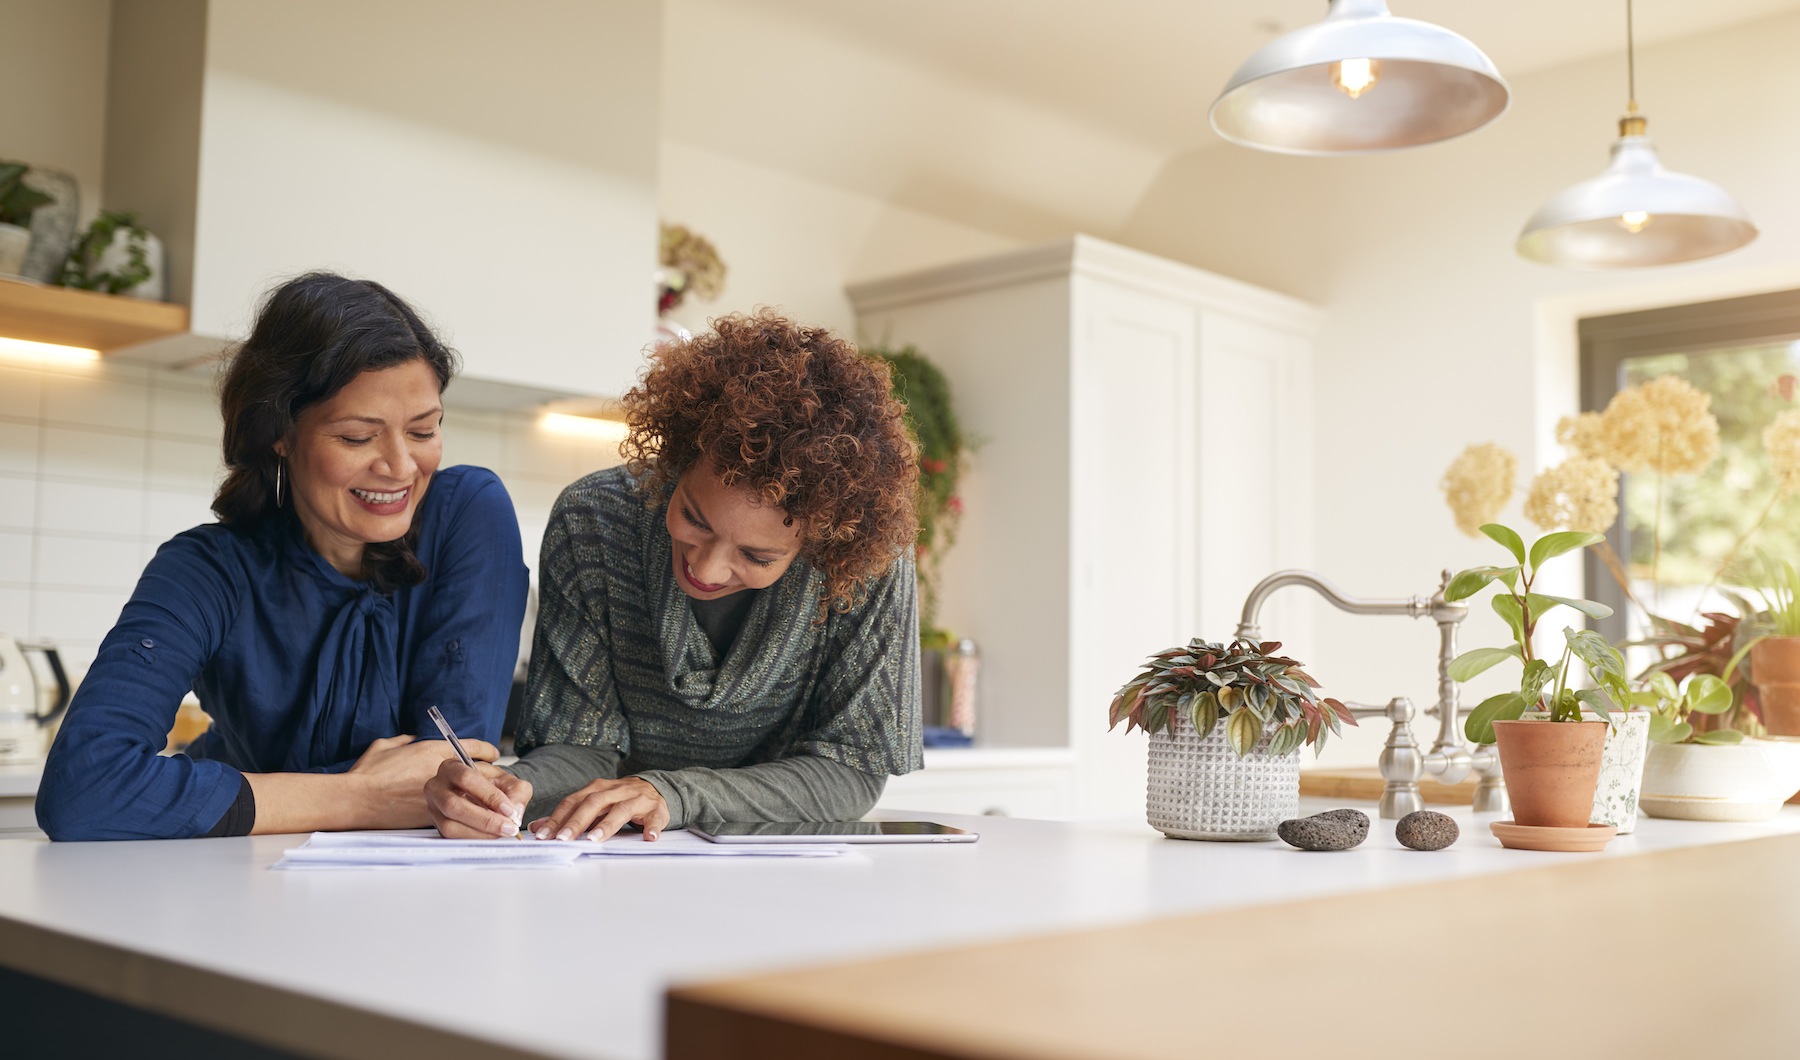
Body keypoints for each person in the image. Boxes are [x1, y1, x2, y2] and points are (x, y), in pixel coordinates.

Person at [37, 273, 529, 841]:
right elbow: (83, 787)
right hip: (244, 878)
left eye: (423, 431)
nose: (399, 467)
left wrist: (287, 794)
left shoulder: (468, 512)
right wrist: (356, 796)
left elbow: (454, 779)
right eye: (356, 437)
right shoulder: (206, 569)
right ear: (281, 433)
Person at [426, 311, 923, 841]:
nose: (705, 569)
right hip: (623, 853)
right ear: (678, 458)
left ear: (820, 543)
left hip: (782, 864)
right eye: (693, 519)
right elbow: (579, 748)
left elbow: (852, 770)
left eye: (756, 556)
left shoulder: (864, 560)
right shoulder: (594, 521)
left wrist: (675, 793)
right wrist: (510, 789)